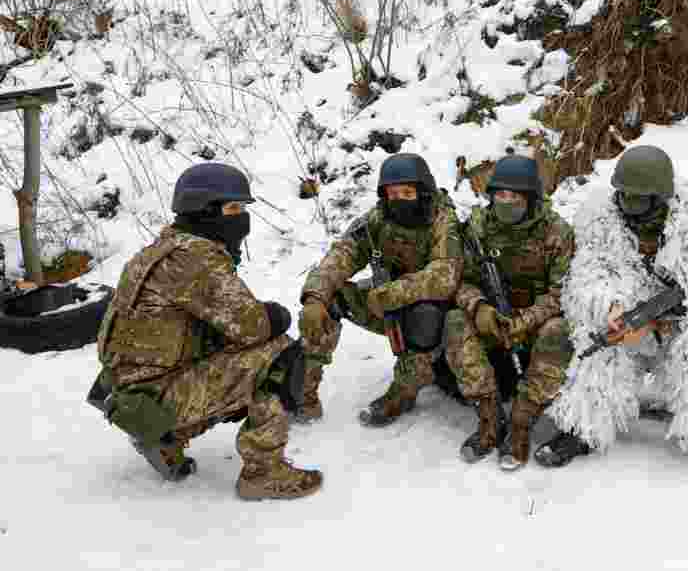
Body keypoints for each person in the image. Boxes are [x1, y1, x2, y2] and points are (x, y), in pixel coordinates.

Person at [93, 163, 322, 500]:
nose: (242, 218)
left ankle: (166, 440)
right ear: (205, 210)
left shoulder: (159, 250)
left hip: (131, 391)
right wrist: (279, 314)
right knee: (280, 353)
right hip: (158, 393)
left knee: (228, 347)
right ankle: (263, 472)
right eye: (233, 209)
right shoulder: (195, 257)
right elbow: (253, 326)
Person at [541, 146, 688, 482]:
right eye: (623, 196)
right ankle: (582, 429)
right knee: (599, 343)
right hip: (632, 323)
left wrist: (667, 322)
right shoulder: (601, 222)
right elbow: (588, 276)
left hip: (682, 327)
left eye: (638, 200)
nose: (627, 206)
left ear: (660, 198)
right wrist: (611, 307)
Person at [297, 153, 463, 426]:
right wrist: (315, 296)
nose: (399, 200)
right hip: (388, 304)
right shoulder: (378, 219)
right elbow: (343, 254)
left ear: (423, 191)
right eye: (392, 193)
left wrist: (391, 295)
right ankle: (303, 394)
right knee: (329, 300)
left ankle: (404, 392)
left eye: (407, 193)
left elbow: (444, 276)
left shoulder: (443, 220)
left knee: (425, 315)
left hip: (439, 316)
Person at [444, 155, 575, 471]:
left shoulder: (556, 232)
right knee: (455, 320)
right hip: (494, 320)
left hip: (537, 321)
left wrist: (524, 320)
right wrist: (479, 307)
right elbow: (460, 280)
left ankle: (521, 421)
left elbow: (562, 293)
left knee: (559, 330)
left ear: (531, 197)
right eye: (500, 195)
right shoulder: (478, 228)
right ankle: (489, 417)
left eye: (515, 196)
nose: (506, 202)